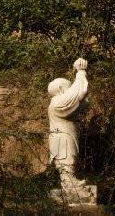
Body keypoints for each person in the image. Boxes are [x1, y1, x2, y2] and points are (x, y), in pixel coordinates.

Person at [48, 58, 89, 189]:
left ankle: (70, 181)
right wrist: (80, 72)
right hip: (63, 138)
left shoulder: (57, 102)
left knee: (69, 158)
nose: (70, 88)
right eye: (68, 86)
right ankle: (68, 183)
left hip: (65, 136)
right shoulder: (57, 102)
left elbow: (82, 101)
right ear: (61, 88)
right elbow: (75, 94)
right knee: (66, 158)